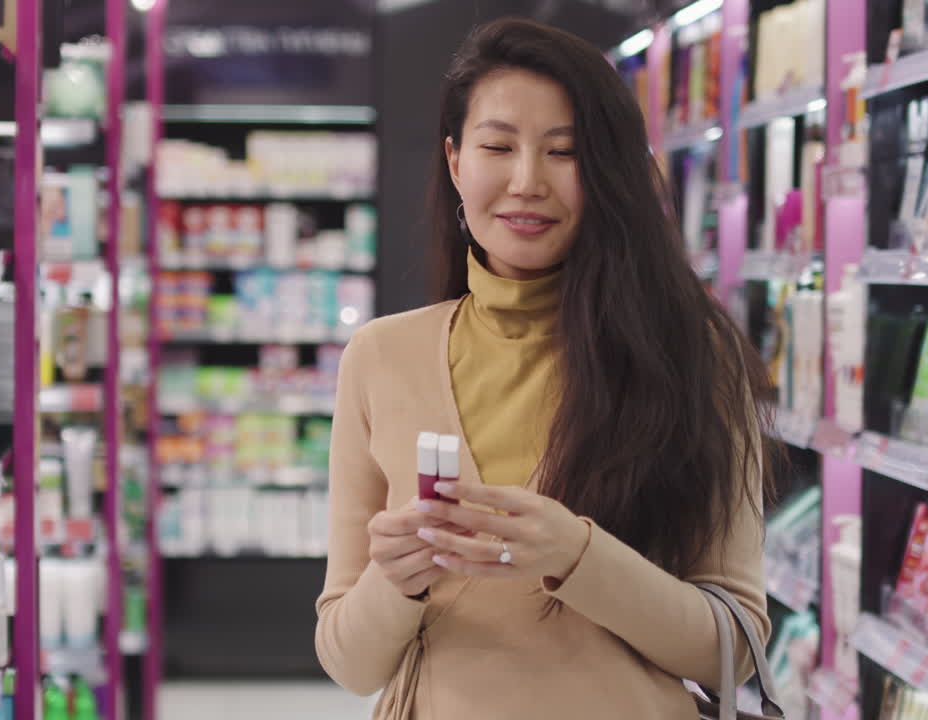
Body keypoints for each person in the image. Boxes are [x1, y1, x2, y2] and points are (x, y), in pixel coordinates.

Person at [315, 17, 778, 720]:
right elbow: (349, 663)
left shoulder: (692, 355)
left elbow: (732, 649)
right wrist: (396, 580)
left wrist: (576, 556)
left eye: (565, 152)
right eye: (498, 146)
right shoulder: (381, 357)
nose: (528, 181)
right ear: (454, 161)